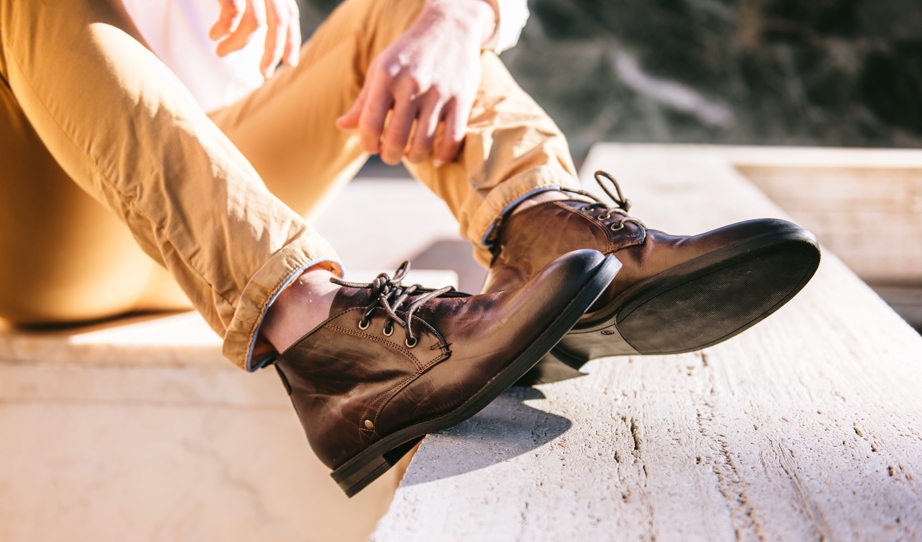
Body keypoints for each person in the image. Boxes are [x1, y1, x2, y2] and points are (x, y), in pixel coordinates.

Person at [0, 0, 819, 495]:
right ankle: (319, 336)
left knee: (408, 12)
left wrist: (454, 18)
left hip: (220, 193)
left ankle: (544, 227)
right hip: (58, 240)